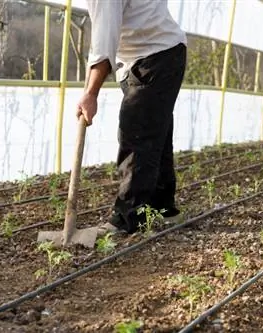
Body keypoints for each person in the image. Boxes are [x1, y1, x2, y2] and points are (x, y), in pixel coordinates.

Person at [77, 0, 187, 234]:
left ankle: (128, 218)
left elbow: (103, 47)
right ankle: (163, 207)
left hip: (155, 55)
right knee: (156, 131)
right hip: (158, 54)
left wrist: (91, 94)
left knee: (137, 132)